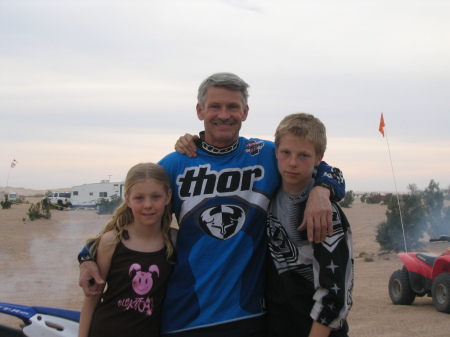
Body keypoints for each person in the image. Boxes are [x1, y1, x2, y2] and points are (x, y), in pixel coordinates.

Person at [78, 72, 345, 337]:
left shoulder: (266, 154)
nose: (224, 114)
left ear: (245, 112)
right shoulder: (175, 163)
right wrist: (87, 256)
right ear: (200, 110)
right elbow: (135, 220)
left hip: (248, 315)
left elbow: (318, 163)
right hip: (184, 317)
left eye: (233, 107)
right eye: (215, 106)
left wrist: (323, 190)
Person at [265, 113, 353, 337]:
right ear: (276, 152)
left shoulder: (324, 212)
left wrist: (322, 190)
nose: (292, 162)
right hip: (276, 324)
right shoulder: (267, 194)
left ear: (318, 158)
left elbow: (335, 294)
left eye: (303, 155)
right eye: (286, 153)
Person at [78, 163, 176, 337]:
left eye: (156, 197)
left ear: (168, 197)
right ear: (127, 199)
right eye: (139, 198)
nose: (148, 205)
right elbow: (92, 298)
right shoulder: (112, 241)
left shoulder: (174, 241)